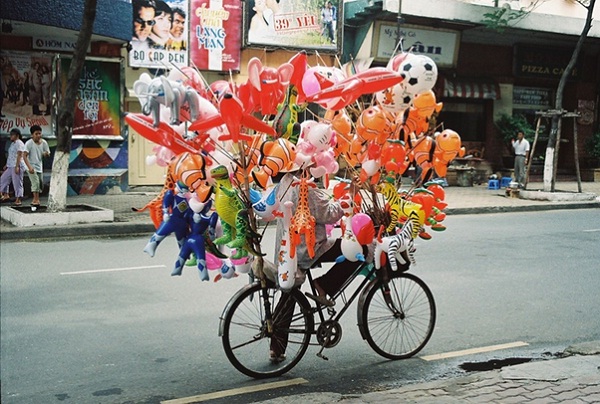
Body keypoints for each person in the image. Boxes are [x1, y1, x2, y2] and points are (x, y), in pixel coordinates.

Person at [270, 168, 366, 362]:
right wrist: (351, 193)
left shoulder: (286, 181)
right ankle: (325, 284)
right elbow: (329, 214)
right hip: (309, 248)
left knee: (289, 294)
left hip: (288, 248)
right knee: (359, 251)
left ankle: (276, 347)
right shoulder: (305, 187)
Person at [23, 125, 50, 207]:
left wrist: (46, 154)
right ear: (32, 135)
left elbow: (47, 154)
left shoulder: (44, 143)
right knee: (35, 182)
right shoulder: (29, 143)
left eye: (39, 133)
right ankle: (35, 200)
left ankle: (36, 198)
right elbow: (24, 156)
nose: (38, 135)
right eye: (36, 134)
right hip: (30, 166)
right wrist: (29, 167)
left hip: (39, 166)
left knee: (40, 184)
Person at [0, 128, 27, 206]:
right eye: (10, 135)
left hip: (17, 165)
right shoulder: (12, 144)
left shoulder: (19, 143)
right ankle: (5, 194)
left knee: (17, 183)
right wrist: (6, 165)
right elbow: (11, 155)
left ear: (17, 135)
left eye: (12, 135)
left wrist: (17, 166)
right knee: (3, 179)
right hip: (10, 165)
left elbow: (19, 155)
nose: (11, 136)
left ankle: (18, 199)